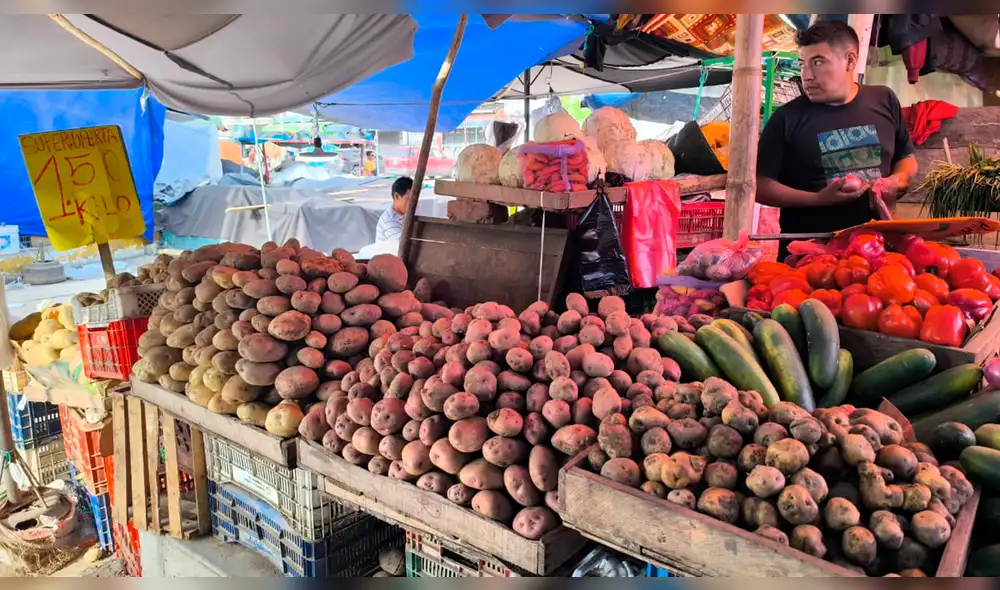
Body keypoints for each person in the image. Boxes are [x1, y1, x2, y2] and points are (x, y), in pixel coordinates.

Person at [756, 20, 919, 258]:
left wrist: (898, 180)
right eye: (803, 64)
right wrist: (817, 199)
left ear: (850, 61)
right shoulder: (786, 118)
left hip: (875, 250)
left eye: (818, 62)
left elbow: (906, 157)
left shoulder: (884, 100)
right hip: (808, 255)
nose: (807, 75)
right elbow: (760, 186)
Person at [375, 176, 412, 242]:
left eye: (415, 199)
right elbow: (404, 246)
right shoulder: (389, 221)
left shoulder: (407, 213)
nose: (413, 203)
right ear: (396, 196)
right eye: (409, 199)